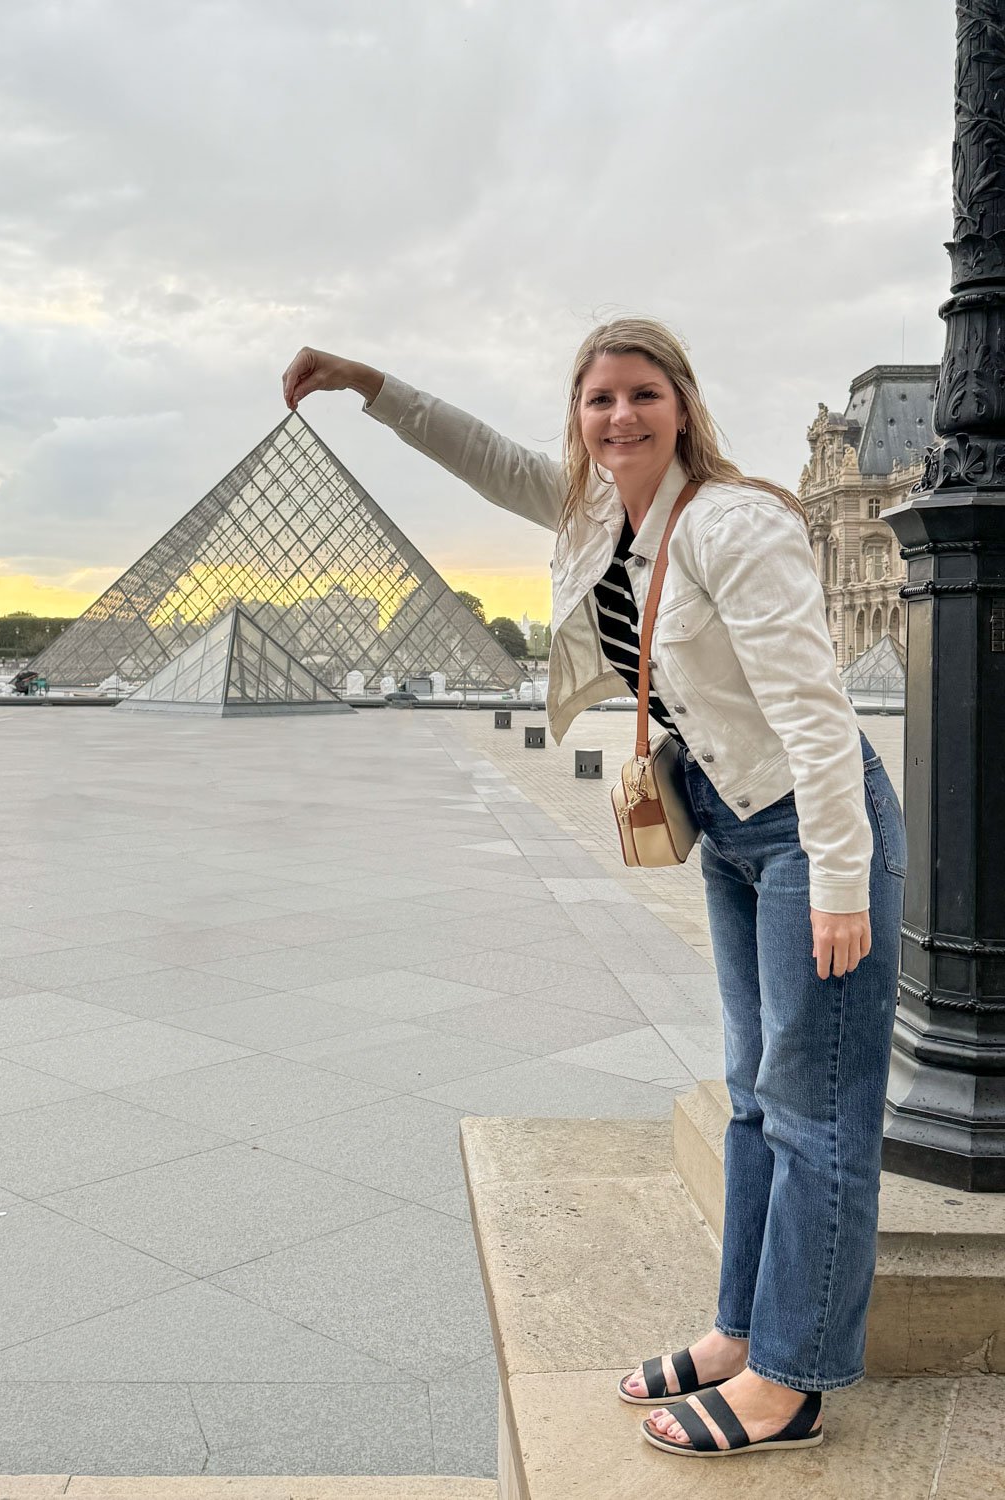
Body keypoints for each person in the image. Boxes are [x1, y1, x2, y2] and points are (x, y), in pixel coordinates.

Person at [282, 320, 905, 1459]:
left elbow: (819, 713)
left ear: (685, 406)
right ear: (579, 416)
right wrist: (368, 384)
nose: (618, 416)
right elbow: (474, 449)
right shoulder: (591, 514)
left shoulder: (736, 521)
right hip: (727, 820)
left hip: (813, 831)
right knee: (755, 1093)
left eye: (642, 395)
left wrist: (842, 884)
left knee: (815, 1107)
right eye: (598, 399)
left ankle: (792, 1379)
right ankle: (739, 1330)